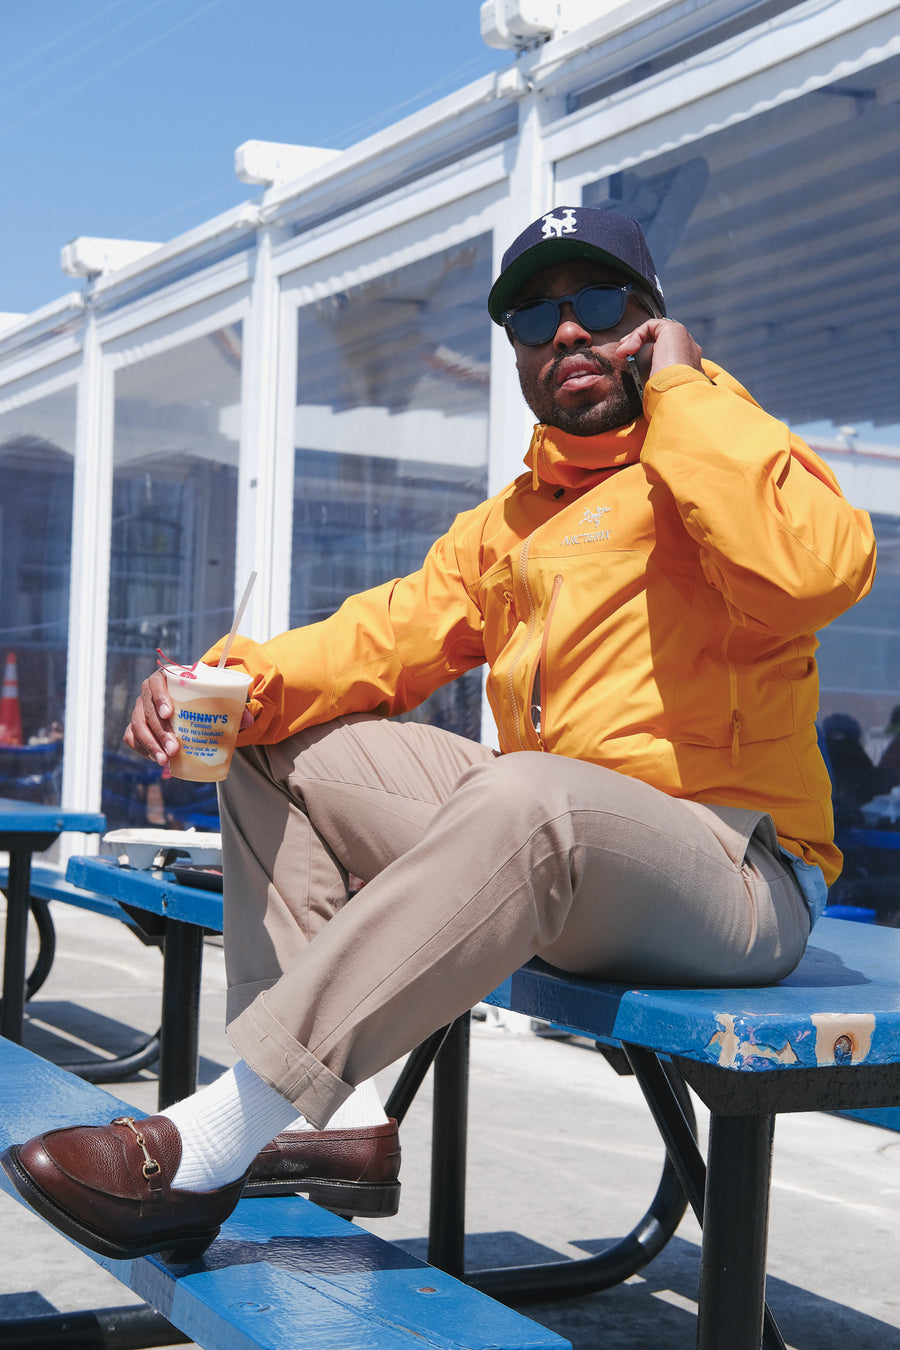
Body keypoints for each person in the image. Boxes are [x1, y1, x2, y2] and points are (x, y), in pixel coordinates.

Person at [2, 207, 877, 1263]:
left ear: (651, 321)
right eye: (533, 318)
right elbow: (380, 636)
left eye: (598, 303)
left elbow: (811, 577)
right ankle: (326, 1116)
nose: (567, 331)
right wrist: (228, 683)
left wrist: (685, 394)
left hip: (737, 876)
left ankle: (221, 1131)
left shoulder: (728, 446)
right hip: (560, 847)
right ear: (515, 353)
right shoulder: (511, 523)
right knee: (270, 739)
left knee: (528, 794)